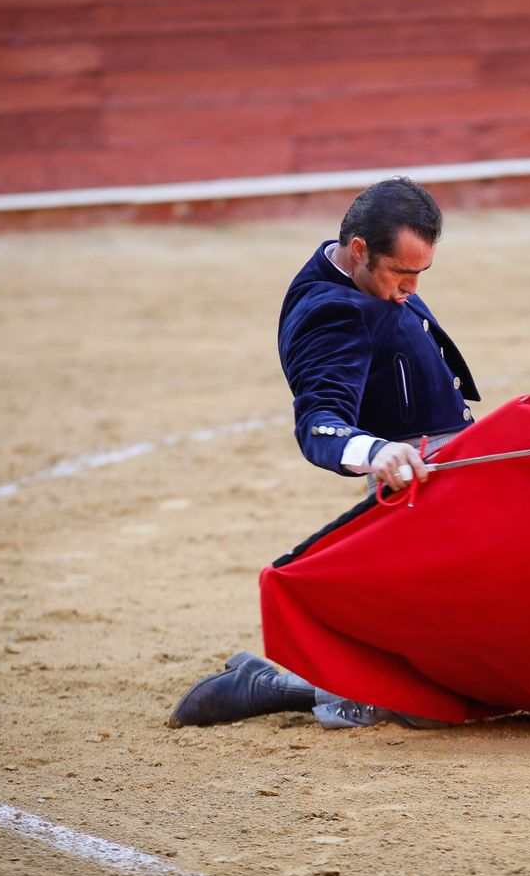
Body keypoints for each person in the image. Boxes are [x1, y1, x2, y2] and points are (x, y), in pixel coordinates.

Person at [169, 177, 479, 730]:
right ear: (359, 249)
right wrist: (376, 450)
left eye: (419, 274)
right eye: (400, 272)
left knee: (455, 662)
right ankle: (271, 688)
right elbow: (319, 422)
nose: (410, 287)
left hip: (443, 460)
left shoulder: (361, 275)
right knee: (424, 705)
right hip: (412, 479)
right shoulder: (331, 312)